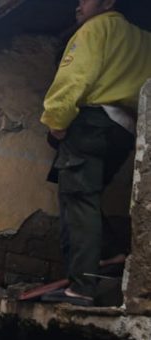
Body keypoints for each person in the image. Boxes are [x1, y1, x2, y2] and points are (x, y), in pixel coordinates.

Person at [40, 0, 151, 306]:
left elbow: (74, 77)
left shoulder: (94, 28)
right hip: (125, 129)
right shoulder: (143, 39)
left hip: (93, 122)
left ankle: (80, 288)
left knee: (77, 199)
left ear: (107, 3)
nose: (78, 5)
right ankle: (109, 255)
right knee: (88, 197)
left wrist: (56, 121)